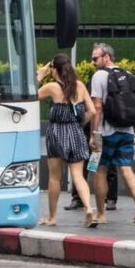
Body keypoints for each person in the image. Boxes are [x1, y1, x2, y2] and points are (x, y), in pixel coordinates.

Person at [89, 43, 135, 226]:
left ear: (106, 57)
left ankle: (101, 214)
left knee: (100, 171)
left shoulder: (99, 76)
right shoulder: (128, 74)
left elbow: (97, 107)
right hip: (127, 130)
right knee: (127, 168)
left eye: (95, 58)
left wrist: (94, 133)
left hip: (106, 132)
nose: (92, 62)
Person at [36, 53, 99, 229]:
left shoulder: (52, 87)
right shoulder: (79, 86)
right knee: (78, 176)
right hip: (77, 133)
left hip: (57, 133)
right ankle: (88, 209)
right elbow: (92, 111)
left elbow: (29, 96)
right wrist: (80, 123)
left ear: (54, 69)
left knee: (55, 178)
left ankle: (53, 217)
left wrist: (40, 76)